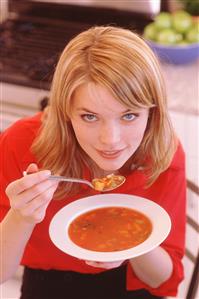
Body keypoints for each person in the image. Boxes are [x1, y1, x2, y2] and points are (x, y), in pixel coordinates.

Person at [0, 26, 186, 299]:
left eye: (129, 115)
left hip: (130, 283)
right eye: (89, 116)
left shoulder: (163, 154)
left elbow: (163, 281)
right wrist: (22, 216)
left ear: (153, 112)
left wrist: (133, 239)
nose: (110, 140)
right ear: (66, 112)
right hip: (49, 282)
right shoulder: (20, 144)